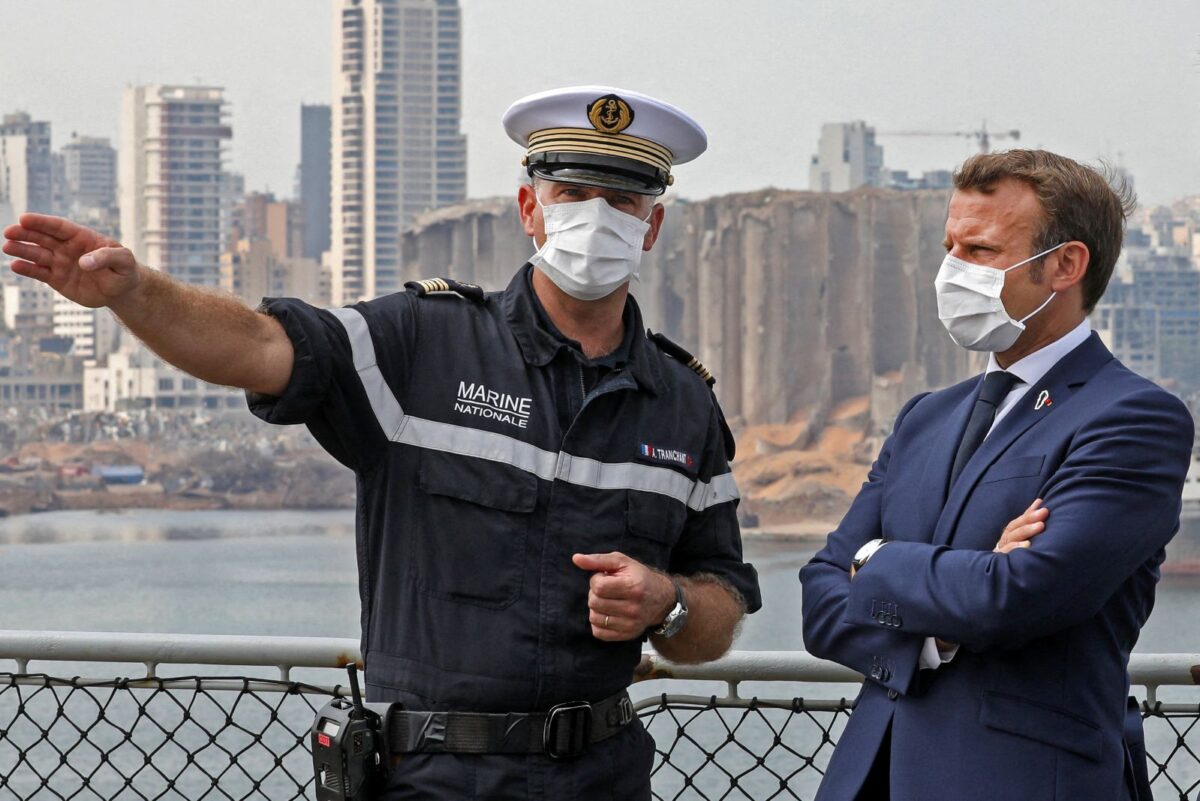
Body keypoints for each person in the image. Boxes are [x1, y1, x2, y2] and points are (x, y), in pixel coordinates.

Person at [3, 85, 760, 799]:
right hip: (432, 777)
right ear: (531, 209)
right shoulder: (422, 344)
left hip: (603, 777)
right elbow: (260, 346)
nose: (597, 218)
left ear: (652, 226)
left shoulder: (682, 404)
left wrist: (667, 604)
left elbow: (720, 605)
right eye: (573, 194)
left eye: (622, 200)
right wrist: (135, 294)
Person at [799, 149, 1193, 801]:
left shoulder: (1132, 418)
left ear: (1065, 265)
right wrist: (943, 625)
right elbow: (819, 598)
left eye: (980, 250)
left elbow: (1020, 595)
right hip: (868, 780)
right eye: (950, 248)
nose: (953, 270)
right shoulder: (926, 418)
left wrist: (874, 562)